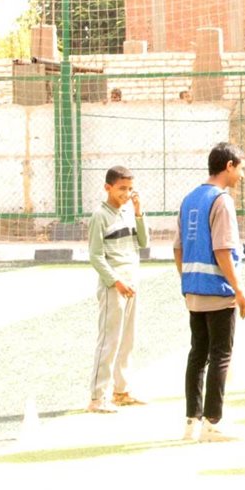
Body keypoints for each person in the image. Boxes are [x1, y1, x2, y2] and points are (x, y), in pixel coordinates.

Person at [174, 142, 245, 442]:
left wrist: (187, 282)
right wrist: (240, 289)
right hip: (219, 291)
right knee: (221, 355)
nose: (242, 175)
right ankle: (212, 423)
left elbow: (178, 248)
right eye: (241, 168)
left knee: (197, 355)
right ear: (229, 166)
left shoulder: (189, 199)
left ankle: (191, 422)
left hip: (194, 291)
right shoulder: (222, 201)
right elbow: (222, 250)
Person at [86, 165, 149, 413]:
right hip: (114, 287)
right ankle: (97, 398)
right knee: (109, 341)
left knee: (127, 341)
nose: (127, 193)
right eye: (122, 188)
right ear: (108, 187)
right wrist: (116, 281)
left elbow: (143, 242)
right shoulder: (99, 216)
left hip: (132, 284)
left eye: (130, 188)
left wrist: (139, 213)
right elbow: (95, 256)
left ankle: (121, 392)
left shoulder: (129, 212)